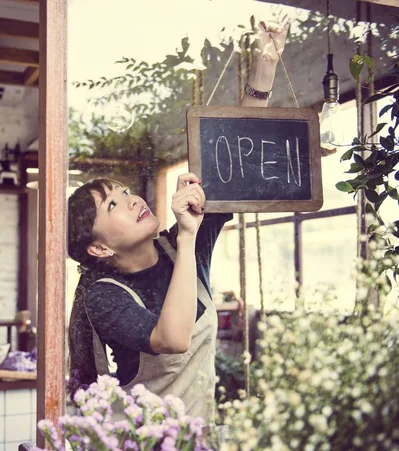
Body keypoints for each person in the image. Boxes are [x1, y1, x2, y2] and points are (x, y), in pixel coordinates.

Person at [67, 21, 288, 422]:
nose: (133, 201)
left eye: (126, 192)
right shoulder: (104, 294)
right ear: (99, 247)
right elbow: (171, 339)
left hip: (198, 438)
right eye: (114, 205)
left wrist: (265, 66)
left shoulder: (179, 244)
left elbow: (231, 161)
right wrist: (187, 237)